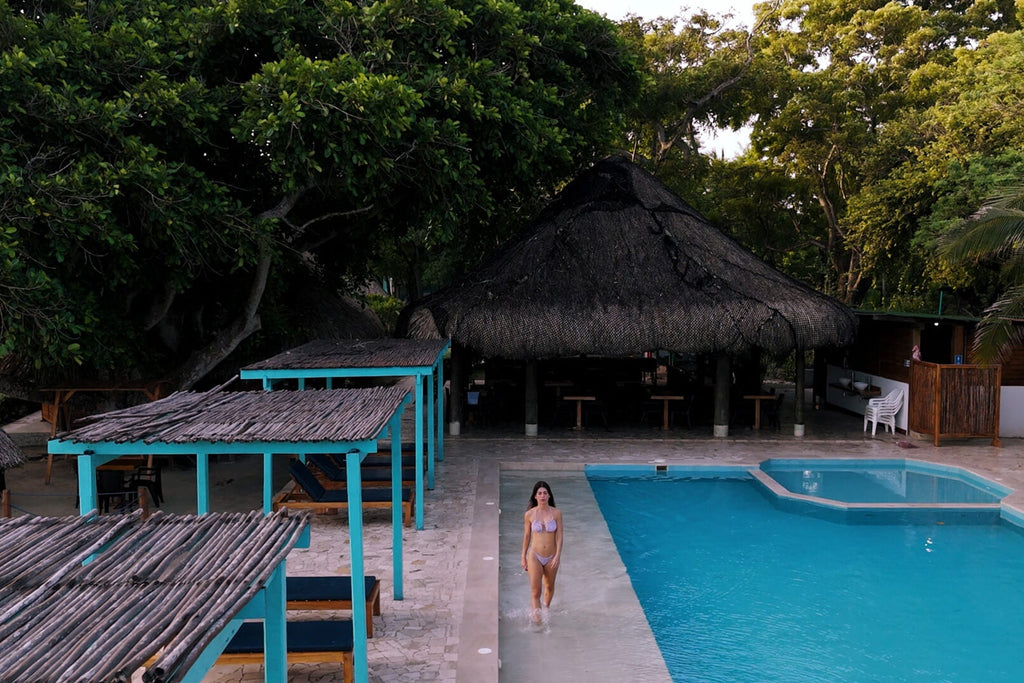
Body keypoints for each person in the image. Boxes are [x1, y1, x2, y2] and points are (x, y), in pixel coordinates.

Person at [521, 480, 563, 624]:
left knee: (549, 587)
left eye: (545, 493)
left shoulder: (556, 513)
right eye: (539, 493)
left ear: (549, 495)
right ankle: (537, 621)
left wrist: (557, 555)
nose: (542, 496)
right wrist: (523, 556)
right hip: (534, 555)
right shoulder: (529, 514)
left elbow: (560, 535)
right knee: (535, 592)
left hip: (552, 556)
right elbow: (527, 536)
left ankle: (546, 609)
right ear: (535, 496)